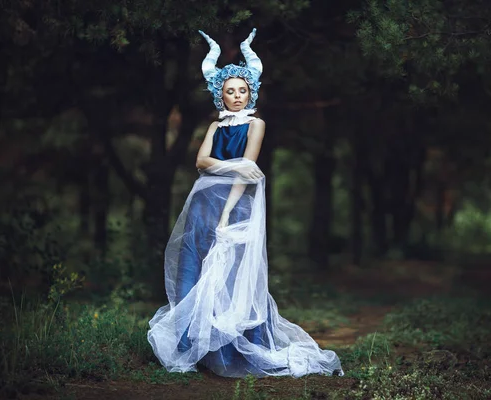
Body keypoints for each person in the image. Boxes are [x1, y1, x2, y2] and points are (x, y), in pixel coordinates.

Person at [147, 29, 344, 378]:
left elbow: (247, 173)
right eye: (229, 91)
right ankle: (190, 347)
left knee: (232, 272)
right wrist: (232, 166)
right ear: (219, 95)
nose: (236, 96)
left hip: (235, 208)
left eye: (242, 90)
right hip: (201, 205)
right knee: (194, 268)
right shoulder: (215, 126)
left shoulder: (256, 124)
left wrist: (226, 204)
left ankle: (229, 351)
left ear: (250, 92)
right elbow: (201, 162)